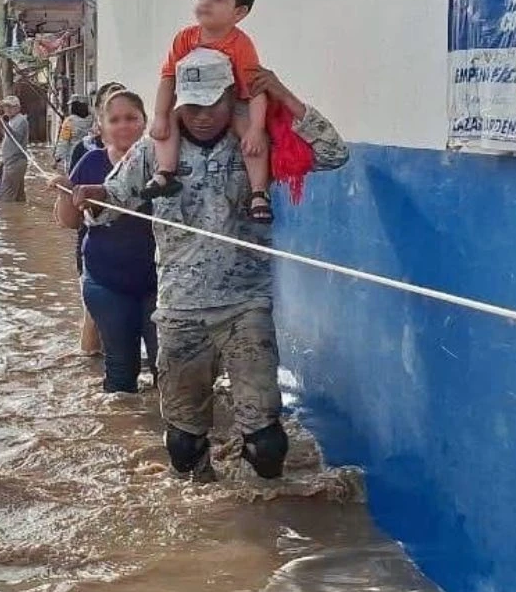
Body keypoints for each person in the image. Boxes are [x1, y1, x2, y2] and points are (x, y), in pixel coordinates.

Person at [73, 54, 350, 482]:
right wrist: (94, 197)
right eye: (193, 106)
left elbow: (333, 154)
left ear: (232, 99)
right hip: (181, 311)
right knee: (184, 446)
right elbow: (113, 199)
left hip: (245, 307)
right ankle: (207, 515)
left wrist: (282, 94)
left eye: (213, 105)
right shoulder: (153, 150)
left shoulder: (257, 141)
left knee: (267, 442)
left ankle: (263, 523)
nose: (203, 117)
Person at [146, 0, 274, 223]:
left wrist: (256, 128)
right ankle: (165, 172)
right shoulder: (184, 38)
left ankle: (259, 192)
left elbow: (256, 89)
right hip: (190, 100)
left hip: (232, 101)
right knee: (165, 125)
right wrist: (160, 115)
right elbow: (168, 78)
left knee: (249, 135)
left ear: (239, 12)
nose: (206, 3)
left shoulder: (241, 44)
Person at [54, 89, 158, 393]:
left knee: (168, 367)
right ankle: (124, 433)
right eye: (115, 120)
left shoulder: (163, 161)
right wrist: (65, 191)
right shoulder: (90, 161)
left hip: (160, 283)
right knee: (120, 374)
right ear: (101, 126)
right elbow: (70, 222)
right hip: (107, 282)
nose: (124, 125)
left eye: (131, 118)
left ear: (144, 122)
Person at [0, 95, 29, 202]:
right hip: (11, 161)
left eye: (10, 107)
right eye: (6, 107)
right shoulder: (13, 120)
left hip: (15, 162)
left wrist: (4, 124)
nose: (7, 109)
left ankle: (6, 218)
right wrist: (3, 126)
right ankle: (19, 215)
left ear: (17, 108)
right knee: (19, 197)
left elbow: (16, 137)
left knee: (6, 197)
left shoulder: (20, 120)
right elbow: (10, 138)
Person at [55, 97, 94, 173]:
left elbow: (64, 140)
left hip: (73, 156)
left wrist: (58, 157)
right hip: (89, 155)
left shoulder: (69, 121)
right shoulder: (92, 120)